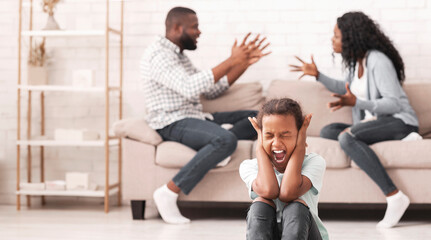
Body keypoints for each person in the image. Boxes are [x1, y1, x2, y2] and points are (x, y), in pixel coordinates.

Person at [140, 6, 270, 224]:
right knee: (225, 139)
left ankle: (215, 145)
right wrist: (231, 60)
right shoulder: (158, 56)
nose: (199, 32)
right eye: (194, 27)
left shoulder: (179, 56)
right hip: (171, 121)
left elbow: (210, 89)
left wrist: (243, 64)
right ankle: (168, 192)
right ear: (176, 27)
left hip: (195, 117)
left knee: (259, 118)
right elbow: (190, 87)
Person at [290, 11, 419, 228]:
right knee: (329, 131)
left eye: (336, 35)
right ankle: (389, 139)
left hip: (400, 120)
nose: (332, 40)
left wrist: (357, 103)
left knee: (347, 137)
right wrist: (318, 75)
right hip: (373, 123)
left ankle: (394, 195)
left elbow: (394, 103)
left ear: (351, 37)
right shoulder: (355, 63)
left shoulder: (378, 61)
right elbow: (346, 88)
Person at [240, 98, 328, 240]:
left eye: (285, 135)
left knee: (296, 208)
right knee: (260, 206)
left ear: (300, 135)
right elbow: (269, 190)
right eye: (268, 135)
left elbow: (288, 193)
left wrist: (300, 146)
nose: (276, 143)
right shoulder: (249, 166)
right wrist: (260, 149)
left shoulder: (314, 162)